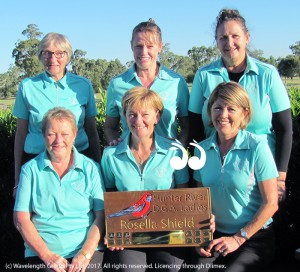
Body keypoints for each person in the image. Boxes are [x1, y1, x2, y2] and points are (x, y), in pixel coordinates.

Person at [188, 9, 292, 201]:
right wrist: (198, 174)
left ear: (247, 38)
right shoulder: (203, 76)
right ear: (217, 41)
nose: (229, 43)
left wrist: (280, 177)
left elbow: (284, 128)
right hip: (215, 172)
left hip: (261, 175)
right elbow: (195, 129)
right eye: (223, 37)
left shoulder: (267, 74)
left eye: (235, 36)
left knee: (261, 225)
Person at [101, 86, 190, 271]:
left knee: (169, 268)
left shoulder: (174, 152)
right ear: (125, 116)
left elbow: (185, 193)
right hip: (128, 233)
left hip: (167, 231)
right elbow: (109, 195)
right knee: (129, 269)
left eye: (145, 114)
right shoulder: (110, 155)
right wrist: (113, 229)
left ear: (157, 117)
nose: (138, 121)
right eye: (132, 114)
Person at [192, 82, 278, 271]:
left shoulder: (257, 147)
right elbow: (199, 202)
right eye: (218, 108)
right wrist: (198, 238)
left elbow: (271, 203)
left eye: (231, 109)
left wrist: (238, 238)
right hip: (215, 237)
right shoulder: (201, 151)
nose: (223, 115)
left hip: (253, 238)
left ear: (244, 113)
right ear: (210, 111)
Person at [14, 107, 105, 272]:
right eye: (51, 134)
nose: (58, 141)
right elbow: (21, 219)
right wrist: (47, 255)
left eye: (64, 134)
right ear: (43, 135)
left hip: (87, 252)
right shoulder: (30, 170)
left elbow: (101, 216)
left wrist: (85, 253)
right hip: (42, 253)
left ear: (75, 135)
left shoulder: (91, 168)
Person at [13, 32, 101, 197]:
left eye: (59, 53)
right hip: (35, 163)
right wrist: (18, 179)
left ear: (68, 56)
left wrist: (98, 170)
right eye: (47, 53)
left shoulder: (83, 86)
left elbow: (92, 131)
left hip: (78, 161)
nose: (53, 59)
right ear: (40, 56)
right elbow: (20, 134)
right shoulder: (27, 87)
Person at [104, 18, 189, 147]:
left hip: (168, 161)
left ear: (160, 46)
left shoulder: (176, 83)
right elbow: (110, 127)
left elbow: (186, 127)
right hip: (129, 160)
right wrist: (114, 143)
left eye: (150, 46)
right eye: (138, 46)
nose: (144, 52)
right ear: (131, 45)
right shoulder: (117, 85)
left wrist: (178, 150)